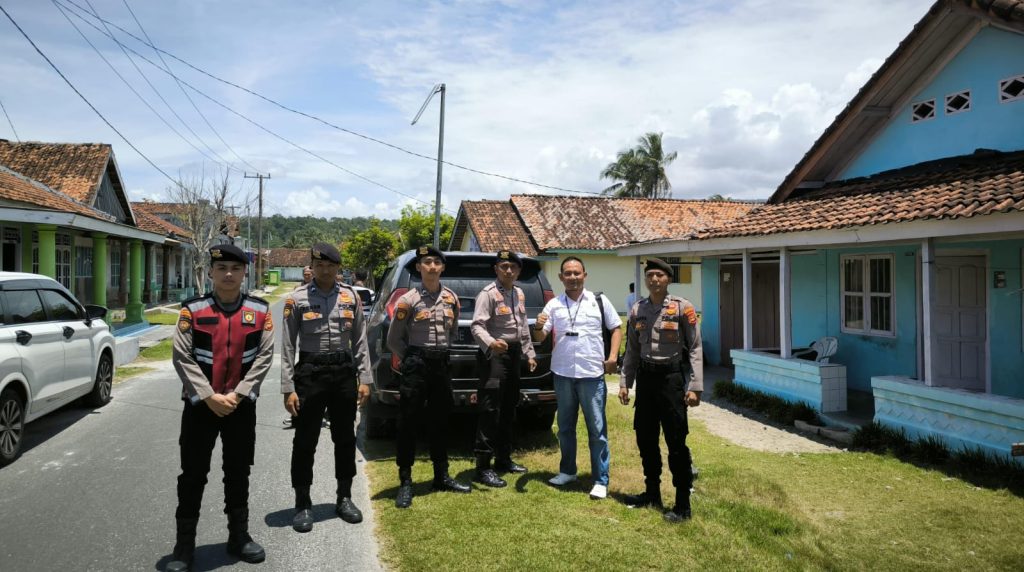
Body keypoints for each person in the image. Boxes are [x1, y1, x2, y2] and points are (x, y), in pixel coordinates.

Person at [166, 244, 274, 572]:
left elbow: (264, 356)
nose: (229, 274)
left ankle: (238, 536)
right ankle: (184, 546)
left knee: (238, 472)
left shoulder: (259, 311)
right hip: (200, 407)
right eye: (222, 267)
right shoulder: (193, 310)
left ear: (245, 273)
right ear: (211, 272)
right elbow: (181, 355)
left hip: (240, 407)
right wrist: (209, 396)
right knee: (193, 475)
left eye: (235, 268)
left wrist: (238, 395)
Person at [281, 243, 372, 533]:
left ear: (338, 267)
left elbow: (360, 341)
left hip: (343, 374)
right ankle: (303, 502)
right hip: (310, 373)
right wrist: (288, 387)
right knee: (305, 440)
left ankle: (344, 497)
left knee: (345, 438)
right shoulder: (296, 299)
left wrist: (365, 379)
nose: (324, 270)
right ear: (312, 266)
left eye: (330, 265)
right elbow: (286, 346)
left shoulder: (350, 297)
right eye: (319, 265)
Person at [619, 257, 703, 523]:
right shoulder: (637, 310)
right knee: (645, 437)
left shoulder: (682, 308)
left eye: (660, 275)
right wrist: (625, 382)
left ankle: (682, 504)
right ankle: (652, 492)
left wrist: (695, 386)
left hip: (671, 380)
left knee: (676, 441)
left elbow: (696, 348)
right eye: (650, 275)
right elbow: (631, 350)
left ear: (668, 279)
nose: (654, 280)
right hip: (646, 380)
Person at [387, 245, 471, 508]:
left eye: (436, 262)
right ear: (419, 268)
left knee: (441, 421)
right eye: (427, 263)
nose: (432, 267)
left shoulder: (451, 298)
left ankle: (441, 476)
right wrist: (412, 359)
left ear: (442, 267)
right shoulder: (408, 300)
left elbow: (453, 329)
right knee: (408, 422)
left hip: (441, 364)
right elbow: (393, 339)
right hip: (416, 364)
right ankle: (405, 482)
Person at [533, 256, 621, 500]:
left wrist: (613, 356)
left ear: (585, 275)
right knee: (565, 427)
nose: (572, 277)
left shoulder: (599, 301)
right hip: (562, 374)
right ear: (561, 277)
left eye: (576, 273)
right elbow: (540, 337)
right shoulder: (553, 306)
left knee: (597, 429)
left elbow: (615, 328)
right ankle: (568, 471)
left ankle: (600, 480)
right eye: (567, 273)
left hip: (591, 374)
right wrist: (538, 327)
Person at [470, 249, 537, 487]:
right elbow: (477, 326)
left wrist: (529, 353)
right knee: (490, 410)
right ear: (496, 269)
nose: (509, 270)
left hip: (514, 355)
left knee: (509, 408)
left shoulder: (519, 293)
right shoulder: (488, 294)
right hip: (495, 357)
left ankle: (503, 459)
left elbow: (523, 327)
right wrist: (491, 343)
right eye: (504, 266)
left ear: (518, 271)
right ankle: (482, 468)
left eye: (513, 267)